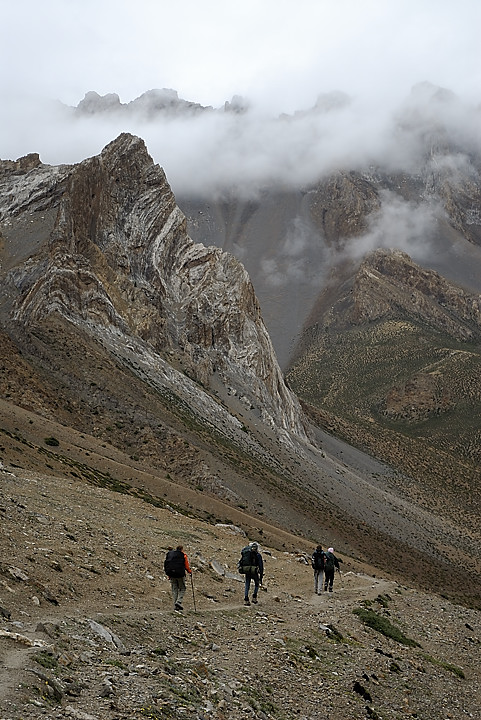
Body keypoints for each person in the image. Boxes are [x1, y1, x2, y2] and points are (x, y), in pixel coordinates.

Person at [164, 545, 191, 611]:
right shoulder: (183, 555)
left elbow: (167, 564)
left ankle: (175, 605)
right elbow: (186, 565)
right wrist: (190, 571)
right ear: (181, 549)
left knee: (174, 589)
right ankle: (178, 602)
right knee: (182, 588)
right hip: (180, 574)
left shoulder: (171, 555)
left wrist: (168, 574)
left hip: (172, 574)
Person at [242, 542, 264, 606]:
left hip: (247, 570)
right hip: (254, 571)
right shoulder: (258, 555)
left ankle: (246, 599)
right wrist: (261, 575)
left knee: (247, 584)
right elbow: (261, 566)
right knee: (256, 583)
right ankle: (254, 597)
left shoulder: (247, 554)